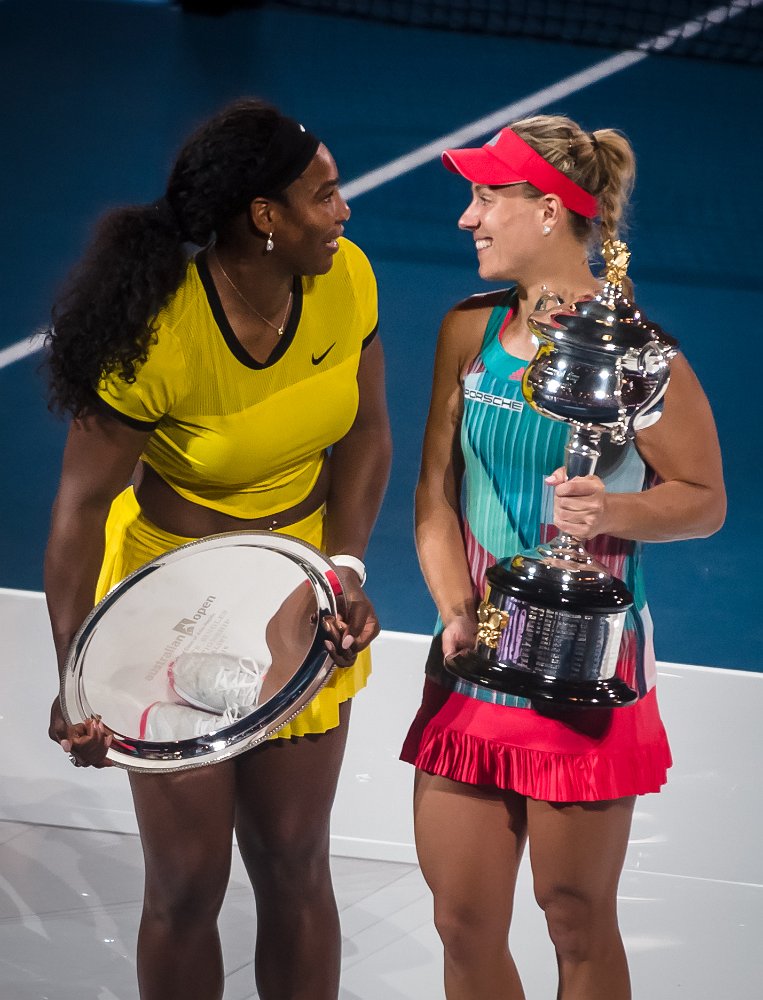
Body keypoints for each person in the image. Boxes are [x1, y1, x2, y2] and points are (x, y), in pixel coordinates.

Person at [45, 97, 392, 1000]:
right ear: (264, 217)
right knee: (187, 882)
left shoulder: (347, 276)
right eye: (324, 194)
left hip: (300, 587)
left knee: (293, 859)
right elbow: (80, 509)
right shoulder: (155, 333)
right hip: (172, 606)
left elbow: (366, 435)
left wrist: (345, 566)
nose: (344, 209)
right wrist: (77, 680)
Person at [401, 116, 725, 1000]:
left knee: (574, 917)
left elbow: (703, 500)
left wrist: (612, 509)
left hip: (584, 672)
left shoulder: (640, 356)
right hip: (473, 663)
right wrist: (455, 612)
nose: (467, 218)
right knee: (461, 922)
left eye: (485, 198)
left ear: (547, 211)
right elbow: (433, 493)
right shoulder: (466, 331)